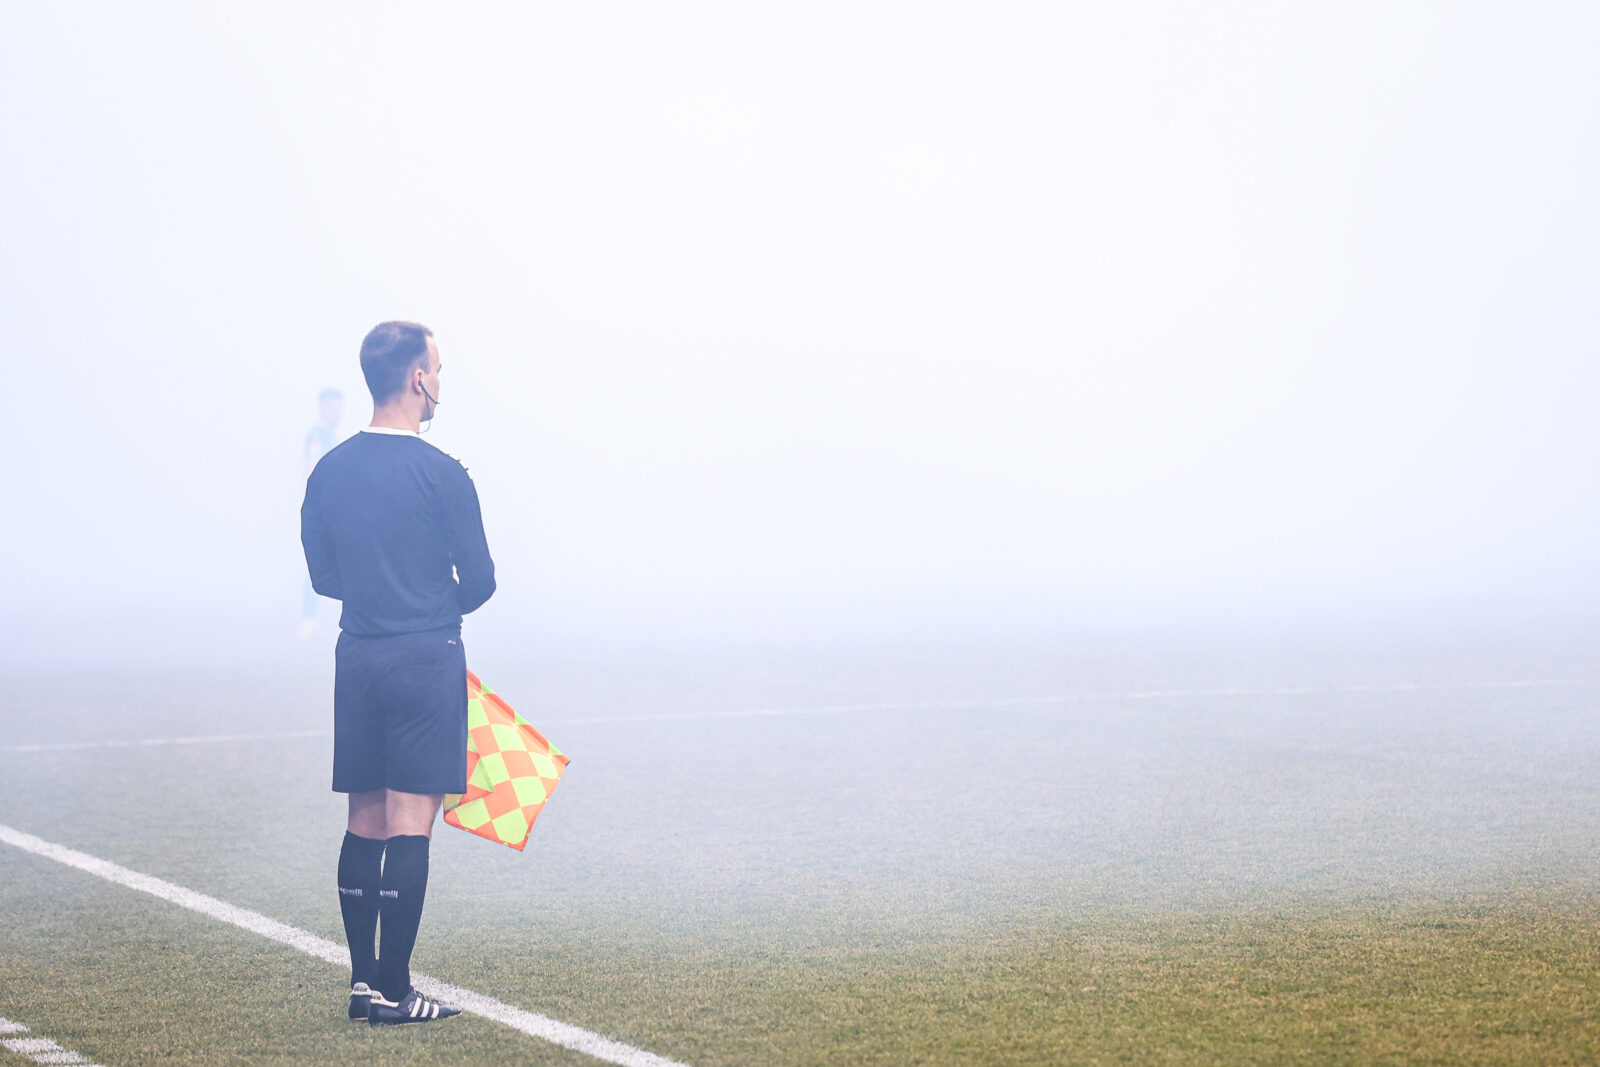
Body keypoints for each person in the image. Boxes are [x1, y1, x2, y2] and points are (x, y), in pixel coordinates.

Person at [300, 321, 496, 1026]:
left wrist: (380, 597)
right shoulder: (444, 473)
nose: (440, 381)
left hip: (358, 657)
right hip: (424, 658)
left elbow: (323, 576)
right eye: (437, 369)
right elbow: (481, 580)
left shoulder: (330, 470)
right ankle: (395, 989)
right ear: (417, 378)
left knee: (364, 819)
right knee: (412, 822)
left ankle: (363, 985)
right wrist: (428, 605)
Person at [300, 389, 345, 638]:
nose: (336, 413)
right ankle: (308, 618)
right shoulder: (317, 436)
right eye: (332, 407)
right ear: (322, 408)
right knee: (318, 561)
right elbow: (311, 469)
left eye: (339, 408)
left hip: (335, 507)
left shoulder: (334, 437)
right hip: (324, 509)